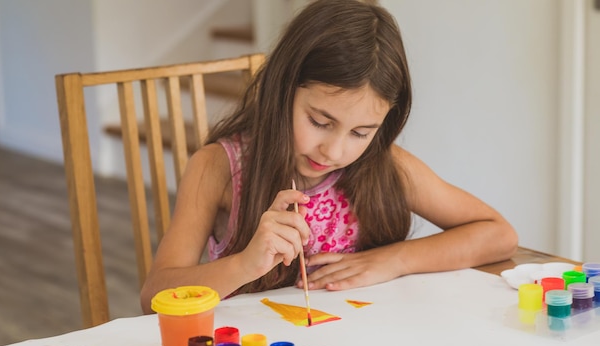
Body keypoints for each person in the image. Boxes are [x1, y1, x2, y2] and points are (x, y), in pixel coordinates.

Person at [139, 0, 518, 313]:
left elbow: (498, 234)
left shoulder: (386, 167)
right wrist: (242, 266)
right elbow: (153, 297)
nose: (335, 151)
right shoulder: (220, 168)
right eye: (320, 121)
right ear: (282, 89)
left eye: (360, 133)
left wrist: (394, 260)